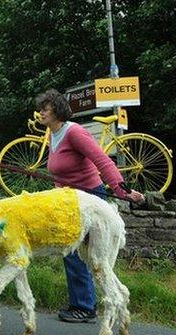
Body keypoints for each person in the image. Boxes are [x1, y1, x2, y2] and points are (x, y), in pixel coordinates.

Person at [35, 89, 144, 323]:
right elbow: (61, 172)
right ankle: (82, 304)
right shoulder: (51, 134)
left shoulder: (74, 132)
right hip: (69, 202)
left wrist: (121, 190)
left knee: (87, 256)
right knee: (71, 253)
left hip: (90, 200)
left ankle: (85, 306)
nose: (41, 111)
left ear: (58, 110)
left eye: (46, 107)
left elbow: (102, 160)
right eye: (40, 107)